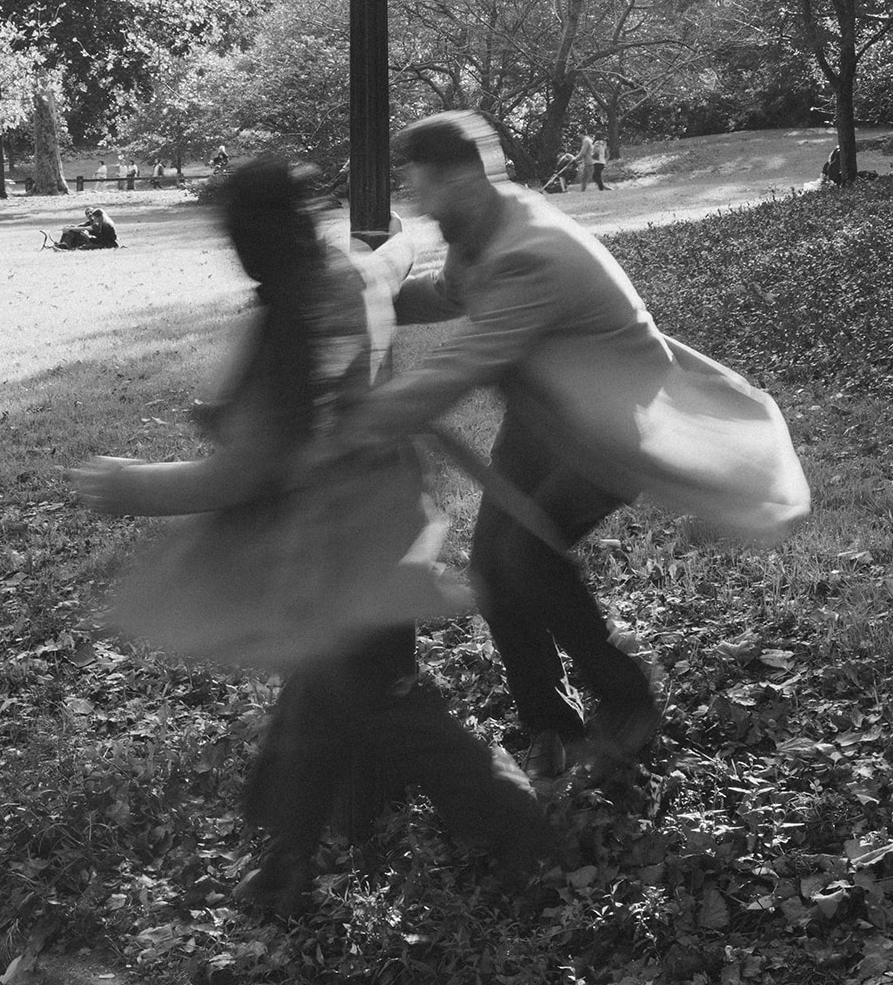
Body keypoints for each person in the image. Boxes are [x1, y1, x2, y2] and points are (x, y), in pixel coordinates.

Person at [73, 160, 552, 918]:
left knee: (383, 700)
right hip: (384, 513)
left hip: (334, 547)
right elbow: (386, 262)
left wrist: (132, 485)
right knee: (325, 695)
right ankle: (286, 862)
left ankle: (524, 833)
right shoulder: (344, 271)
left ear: (246, 241)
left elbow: (245, 472)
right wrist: (393, 239)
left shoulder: (284, 322)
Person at [337, 112, 806, 789]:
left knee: (525, 555)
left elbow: (461, 364)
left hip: (615, 429)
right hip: (546, 419)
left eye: (422, 185)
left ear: (464, 177)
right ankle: (551, 727)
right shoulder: (484, 228)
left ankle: (627, 700)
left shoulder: (531, 252)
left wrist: (355, 424)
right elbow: (445, 295)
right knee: (496, 569)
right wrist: (364, 303)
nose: (417, 203)